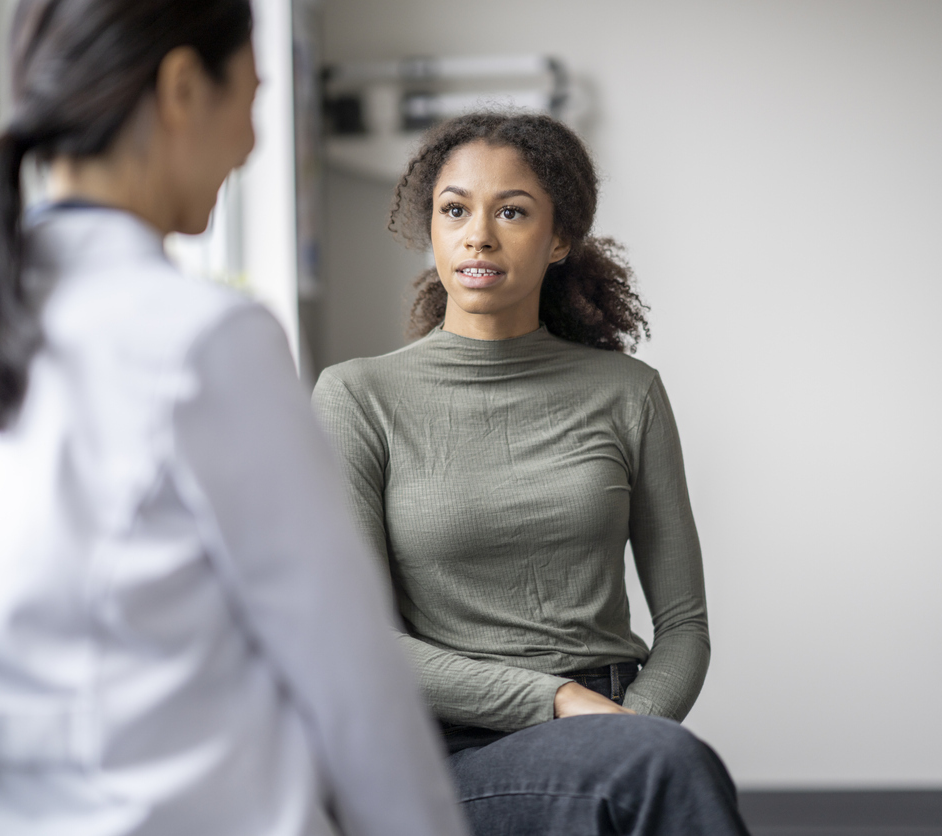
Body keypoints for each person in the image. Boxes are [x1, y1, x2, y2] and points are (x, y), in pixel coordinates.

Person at [0, 2, 468, 834]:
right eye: (253, 99)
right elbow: (352, 679)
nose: (254, 141)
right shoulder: (206, 339)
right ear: (183, 88)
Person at [312, 111, 751, 836]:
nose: (477, 234)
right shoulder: (358, 397)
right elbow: (357, 638)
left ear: (559, 239)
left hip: (615, 719)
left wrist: (625, 727)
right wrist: (559, 705)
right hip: (452, 748)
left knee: (657, 767)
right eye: (454, 210)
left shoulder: (628, 393)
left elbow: (683, 626)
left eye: (511, 211)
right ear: (431, 227)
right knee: (664, 772)